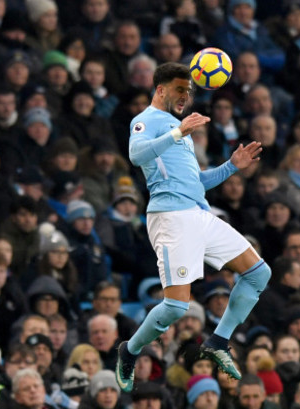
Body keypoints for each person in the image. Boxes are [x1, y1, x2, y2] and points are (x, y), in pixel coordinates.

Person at [115, 62, 270, 391]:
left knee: (258, 273)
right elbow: (135, 154)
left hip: (198, 213)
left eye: (189, 90)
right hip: (170, 217)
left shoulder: (177, 127)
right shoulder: (147, 121)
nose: (186, 96)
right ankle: (129, 350)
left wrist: (232, 166)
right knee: (176, 306)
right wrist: (178, 133)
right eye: (180, 90)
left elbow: (197, 181)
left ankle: (218, 341)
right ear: (161, 90)